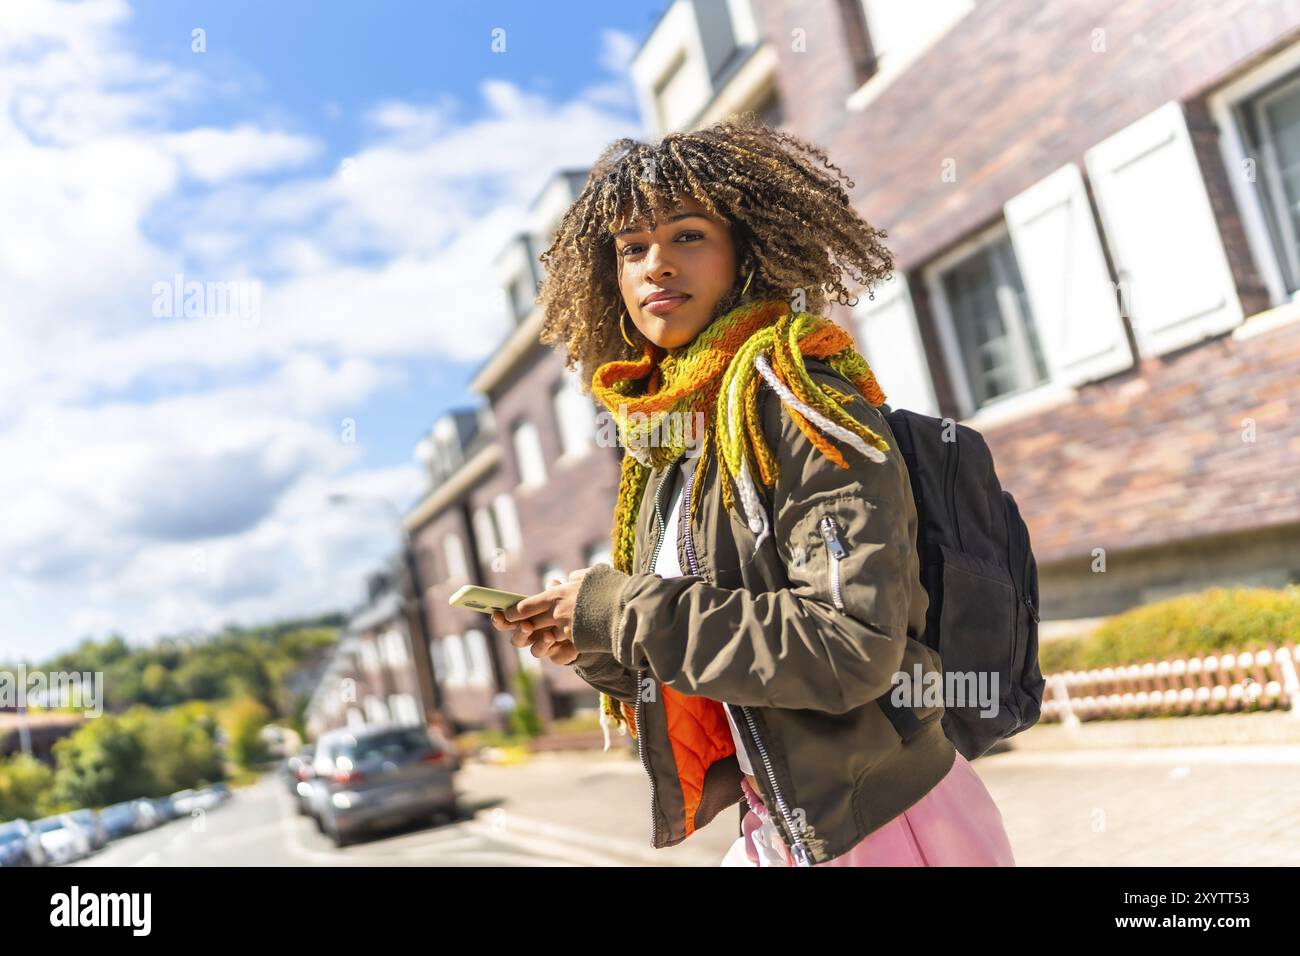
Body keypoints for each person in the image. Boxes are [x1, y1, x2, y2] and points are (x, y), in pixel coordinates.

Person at [489, 115, 1014, 867]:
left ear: (746, 253)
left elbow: (850, 646)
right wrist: (596, 636)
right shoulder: (670, 444)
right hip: (778, 831)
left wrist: (625, 610)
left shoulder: (798, 400)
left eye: (687, 236)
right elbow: (707, 666)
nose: (655, 265)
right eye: (632, 249)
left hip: (885, 828)